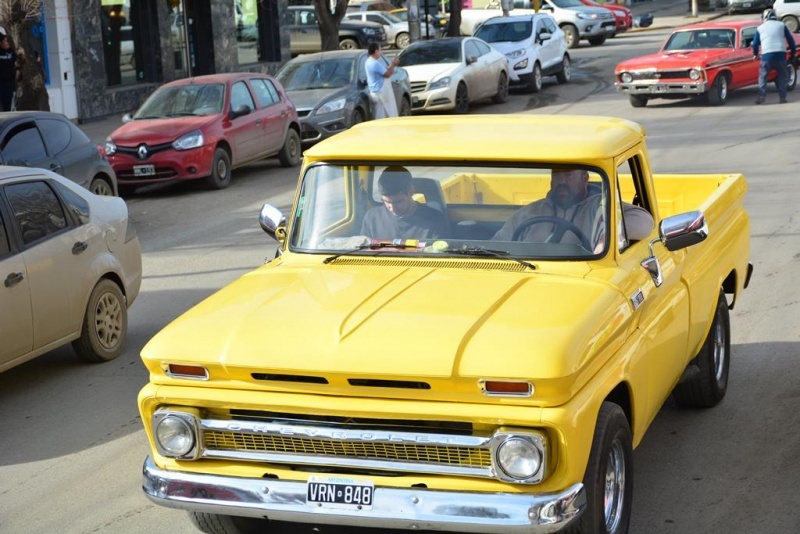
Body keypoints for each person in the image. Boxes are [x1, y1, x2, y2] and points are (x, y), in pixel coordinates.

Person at [492, 169, 654, 251]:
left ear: (585, 179)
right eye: (557, 175)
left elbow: (645, 221)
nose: (561, 181)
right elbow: (496, 246)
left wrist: (608, 236)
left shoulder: (601, 206)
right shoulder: (530, 212)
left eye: (569, 175)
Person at [361, 166, 449, 240]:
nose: (392, 208)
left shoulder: (434, 219)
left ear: (411, 192)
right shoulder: (371, 218)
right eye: (386, 201)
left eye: (398, 202)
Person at [752, 9, 797, 105]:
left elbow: (755, 44)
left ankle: (761, 96)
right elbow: (791, 41)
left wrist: (755, 54)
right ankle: (782, 97)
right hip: (781, 55)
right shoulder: (781, 25)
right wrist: (793, 53)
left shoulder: (760, 28)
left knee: (763, 77)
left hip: (766, 56)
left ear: (764, 17)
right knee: (782, 76)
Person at [365, 42, 399, 119]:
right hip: (380, 91)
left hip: (375, 91)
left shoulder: (368, 62)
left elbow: (385, 71)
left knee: (381, 112)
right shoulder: (374, 63)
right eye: (380, 50)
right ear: (376, 51)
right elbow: (387, 74)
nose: (381, 52)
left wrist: (391, 66)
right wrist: (393, 64)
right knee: (388, 113)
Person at [0, 27, 19, 112]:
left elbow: (17, 66)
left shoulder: (12, 52)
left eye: (8, 41)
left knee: (7, 107)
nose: (7, 43)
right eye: (5, 41)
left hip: (9, 84)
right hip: (1, 83)